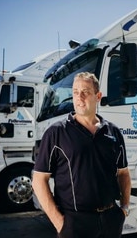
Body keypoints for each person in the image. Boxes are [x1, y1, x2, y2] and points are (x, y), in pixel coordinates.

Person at [32, 72, 131, 238]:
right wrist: (60, 223)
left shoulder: (113, 132)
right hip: (75, 224)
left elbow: (123, 173)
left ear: (98, 96)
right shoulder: (56, 133)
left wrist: (124, 209)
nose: (79, 97)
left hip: (111, 220)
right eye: (75, 92)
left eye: (85, 92)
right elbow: (38, 180)